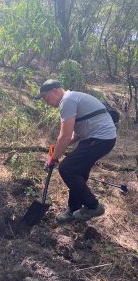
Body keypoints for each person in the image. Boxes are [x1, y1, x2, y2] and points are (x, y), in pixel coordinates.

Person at [36, 79, 116, 222]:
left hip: (100, 138)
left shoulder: (67, 101)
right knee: (78, 173)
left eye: (45, 97)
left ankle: (93, 206)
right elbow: (76, 134)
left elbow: (65, 136)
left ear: (55, 91)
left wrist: (54, 157)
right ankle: (74, 211)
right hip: (100, 138)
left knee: (67, 169)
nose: (45, 101)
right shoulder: (73, 98)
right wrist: (58, 147)